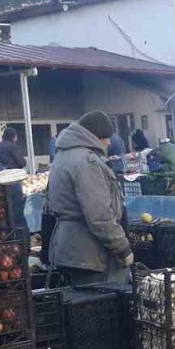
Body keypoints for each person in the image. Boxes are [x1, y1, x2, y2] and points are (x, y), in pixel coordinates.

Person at [47, 110, 134, 286]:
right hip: (91, 254)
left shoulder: (63, 156)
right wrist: (122, 249)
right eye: (106, 138)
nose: (109, 143)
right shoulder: (86, 162)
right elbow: (99, 214)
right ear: (94, 136)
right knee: (105, 308)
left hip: (70, 249)